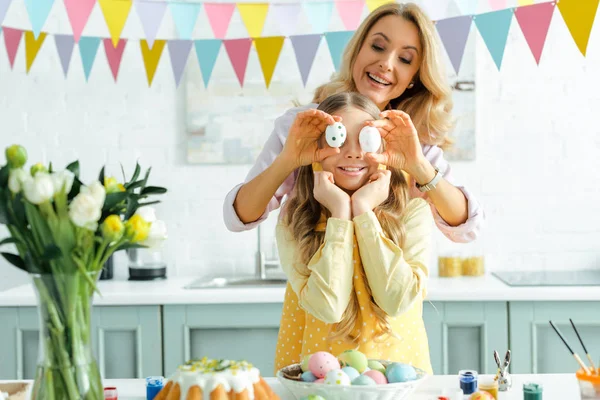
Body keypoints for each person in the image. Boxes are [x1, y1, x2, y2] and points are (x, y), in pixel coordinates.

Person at [223, 2, 484, 243]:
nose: (386, 63)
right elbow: (239, 217)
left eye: (405, 59)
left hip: (392, 293)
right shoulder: (304, 126)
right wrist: (288, 159)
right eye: (378, 46)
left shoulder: (412, 141)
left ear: (414, 77)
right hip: (314, 289)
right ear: (357, 51)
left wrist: (419, 166)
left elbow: (466, 227)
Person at [273, 92, 434, 374]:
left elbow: (396, 300)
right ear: (316, 151)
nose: (353, 152)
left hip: (398, 384)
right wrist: (340, 214)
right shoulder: (295, 220)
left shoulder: (412, 213)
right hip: (323, 385)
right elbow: (328, 307)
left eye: (365, 140)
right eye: (338, 138)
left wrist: (363, 211)